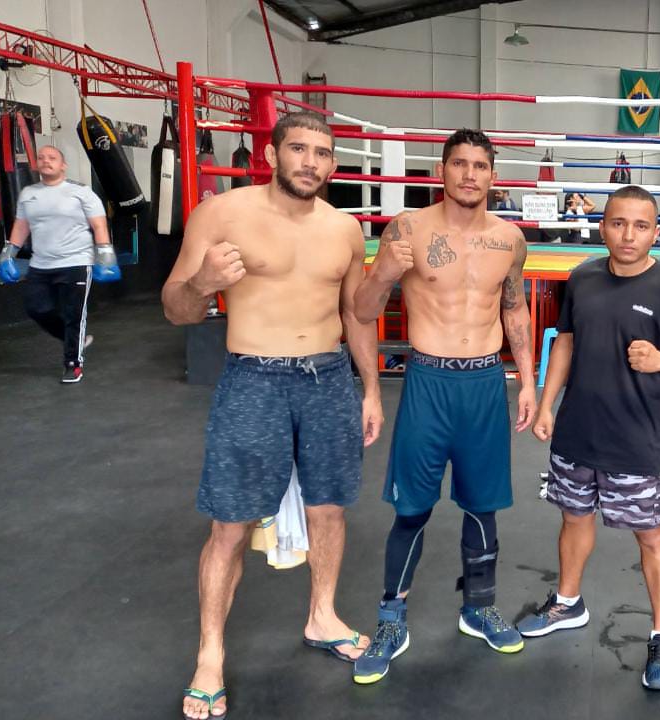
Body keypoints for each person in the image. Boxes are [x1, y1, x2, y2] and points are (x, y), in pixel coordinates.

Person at [162, 111, 384, 720]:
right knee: (229, 523)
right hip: (254, 379)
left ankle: (322, 616)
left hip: (329, 378)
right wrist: (204, 282)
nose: (311, 162)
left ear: (334, 164)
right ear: (270, 153)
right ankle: (210, 655)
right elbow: (176, 309)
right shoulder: (222, 214)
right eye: (299, 149)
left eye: (323, 153)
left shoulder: (343, 229)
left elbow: (356, 316)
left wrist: (370, 389)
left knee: (329, 509)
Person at [349, 129, 537, 684]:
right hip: (428, 380)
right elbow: (361, 311)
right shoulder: (407, 229)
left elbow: (515, 312)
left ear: (493, 174)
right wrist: (383, 269)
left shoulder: (510, 239)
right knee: (411, 508)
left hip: (484, 382)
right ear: (442, 171)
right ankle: (391, 620)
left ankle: (478, 607)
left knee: (484, 505)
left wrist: (526, 381)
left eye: (481, 165)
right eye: (460, 164)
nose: (470, 174)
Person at [518, 185, 660, 690]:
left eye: (641, 226)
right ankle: (567, 601)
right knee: (574, 517)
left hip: (634, 438)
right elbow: (566, 341)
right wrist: (546, 404)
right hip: (578, 429)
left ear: (656, 232)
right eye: (619, 223)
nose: (628, 235)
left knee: (651, 534)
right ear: (602, 226)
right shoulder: (582, 277)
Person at [0, 145, 118, 383]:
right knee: (36, 308)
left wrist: (104, 253)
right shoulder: (28, 194)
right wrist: (7, 253)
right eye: (41, 157)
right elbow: (22, 226)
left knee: (74, 314)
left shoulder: (81, 192)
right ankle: (77, 339)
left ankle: (73, 363)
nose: (45, 161)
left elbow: (99, 224)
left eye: (52, 158)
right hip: (41, 264)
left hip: (76, 261)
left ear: (63, 165)